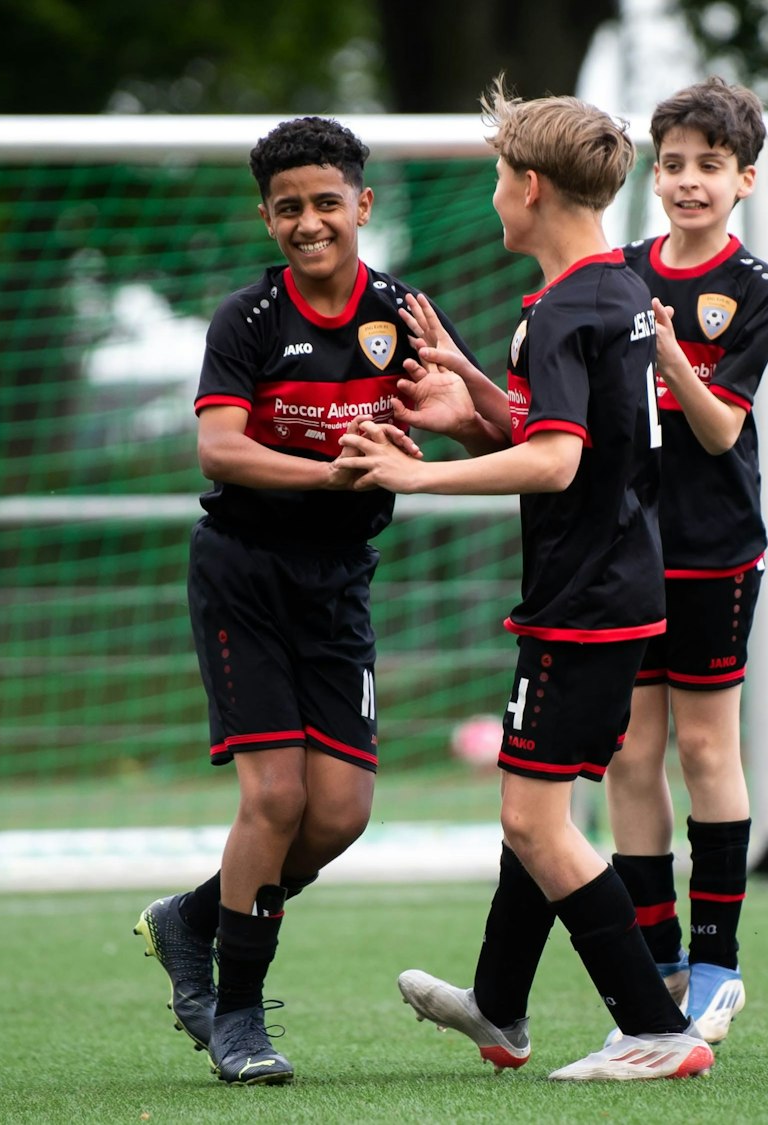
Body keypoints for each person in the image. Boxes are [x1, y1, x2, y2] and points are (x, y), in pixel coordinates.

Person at [337, 79, 712, 1082]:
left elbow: (552, 465)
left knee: (530, 817)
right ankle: (499, 1006)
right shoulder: (614, 288)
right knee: (530, 805)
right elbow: (565, 445)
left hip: (584, 601)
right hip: (611, 589)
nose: (495, 197)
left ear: (531, 186)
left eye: (500, 179)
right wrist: (469, 409)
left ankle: (653, 1026)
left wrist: (419, 471)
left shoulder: (563, 309)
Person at [133, 116, 478, 1086]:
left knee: (339, 815)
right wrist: (330, 472)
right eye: (289, 207)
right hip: (244, 573)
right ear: (266, 218)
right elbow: (219, 449)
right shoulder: (246, 319)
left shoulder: (403, 311)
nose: (309, 221)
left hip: (339, 585)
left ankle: (194, 916)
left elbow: (444, 418)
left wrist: (416, 443)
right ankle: (237, 1017)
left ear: (363, 206)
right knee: (275, 797)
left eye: (327, 202)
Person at [608, 77, 768, 1045]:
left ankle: (718, 963)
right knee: (629, 753)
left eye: (707, 167)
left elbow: (719, 432)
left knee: (706, 747)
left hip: (713, 548)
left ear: (742, 180)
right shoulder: (618, 269)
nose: (685, 182)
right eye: (671, 165)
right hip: (625, 547)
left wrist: (671, 355)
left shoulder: (751, 288)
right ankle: (658, 957)